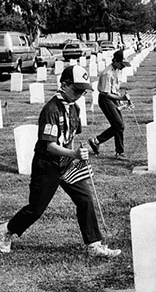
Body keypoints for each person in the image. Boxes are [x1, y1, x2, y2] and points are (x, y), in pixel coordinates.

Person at [0, 65, 121, 258]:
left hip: (66, 163)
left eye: (83, 90)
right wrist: (73, 154)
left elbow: (70, 136)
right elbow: (49, 146)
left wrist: (75, 153)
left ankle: (94, 245)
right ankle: (5, 230)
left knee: (85, 198)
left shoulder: (75, 107)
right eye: (77, 89)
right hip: (47, 165)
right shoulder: (51, 110)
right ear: (64, 85)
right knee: (35, 209)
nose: (81, 94)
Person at [88, 50, 131, 160]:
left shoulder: (116, 70)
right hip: (105, 100)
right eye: (122, 64)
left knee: (119, 126)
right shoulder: (107, 73)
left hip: (113, 99)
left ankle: (117, 151)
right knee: (119, 125)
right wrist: (121, 98)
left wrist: (121, 100)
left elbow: (114, 89)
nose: (123, 67)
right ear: (115, 61)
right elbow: (106, 94)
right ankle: (98, 141)